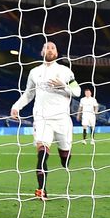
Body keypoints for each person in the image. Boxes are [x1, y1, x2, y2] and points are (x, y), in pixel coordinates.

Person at [10, 42, 81, 201]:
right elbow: (28, 94)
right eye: (47, 47)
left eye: (53, 48)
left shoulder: (65, 71)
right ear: (42, 52)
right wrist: (16, 107)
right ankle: (41, 190)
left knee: (65, 159)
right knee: (42, 154)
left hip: (62, 119)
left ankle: (65, 155)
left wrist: (63, 86)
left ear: (57, 52)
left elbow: (77, 91)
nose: (50, 49)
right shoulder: (35, 72)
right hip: (42, 119)